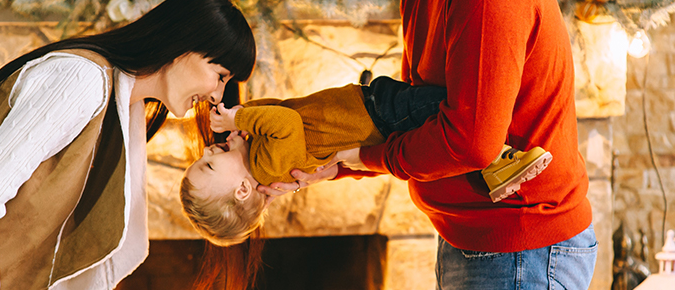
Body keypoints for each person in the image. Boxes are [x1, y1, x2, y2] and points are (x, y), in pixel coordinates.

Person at [259, 0, 597, 289]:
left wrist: (366, 159)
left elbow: (471, 141)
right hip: (469, 239)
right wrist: (336, 164)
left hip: (519, 249)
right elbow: (417, 116)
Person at [0, 0, 256, 290]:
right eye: (220, 74)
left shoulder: (125, 106)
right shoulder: (82, 81)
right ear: (184, 43)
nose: (217, 97)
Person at [180, 77, 551, 246]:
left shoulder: (261, 154)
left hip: (371, 110)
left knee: (441, 114)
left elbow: (278, 110)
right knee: (448, 108)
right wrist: (238, 120)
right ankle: (502, 153)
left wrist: (242, 124)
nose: (209, 151)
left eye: (203, 157)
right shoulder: (268, 166)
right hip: (376, 117)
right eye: (209, 165)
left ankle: (495, 160)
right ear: (243, 189)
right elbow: (287, 122)